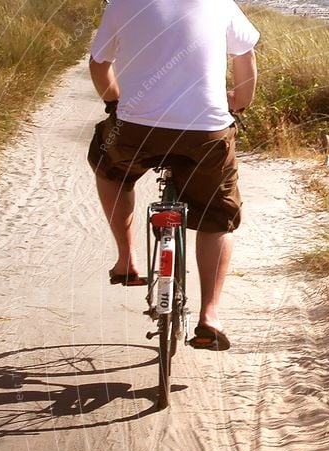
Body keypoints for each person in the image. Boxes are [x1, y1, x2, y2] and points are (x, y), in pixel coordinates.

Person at [87, 0, 259, 351]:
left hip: (136, 130)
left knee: (110, 170)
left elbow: (99, 63)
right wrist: (238, 103)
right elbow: (245, 58)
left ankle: (127, 259)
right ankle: (210, 315)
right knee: (216, 216)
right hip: (205, 133)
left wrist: (114, 103)